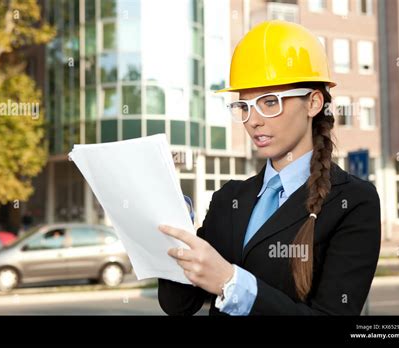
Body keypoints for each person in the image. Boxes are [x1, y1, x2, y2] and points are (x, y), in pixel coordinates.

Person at [157, 20, 381, 316]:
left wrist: (231, 283)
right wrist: (173, 230)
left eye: (269, 102)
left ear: (313, 103)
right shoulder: (229, 198)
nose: (254, 120)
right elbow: (178, 305)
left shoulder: (353, 201)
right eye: (245, 106)